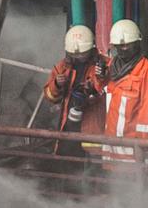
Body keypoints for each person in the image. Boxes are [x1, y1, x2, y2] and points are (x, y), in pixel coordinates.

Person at [101, 19, 148, 166]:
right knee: (113, 186)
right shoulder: (111, 67)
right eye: (119, 46)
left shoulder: (147, 69)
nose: (123, 49)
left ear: (137, 43)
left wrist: (142, 145)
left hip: (134, 149)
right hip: (111, 145)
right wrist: (100, 77)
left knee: (137, 187)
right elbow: (100, 94)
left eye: (127, 45)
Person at [43, 24, 107, 158]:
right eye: (74, 54)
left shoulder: (103, 65)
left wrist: (93, 89)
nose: (78, 57)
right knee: (67, 166)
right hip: (69, 126)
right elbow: (49, 96)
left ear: (91, 48)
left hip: (93, 126)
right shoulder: (62, 67)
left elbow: (108, 91)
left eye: (82, 53)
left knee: (92, 170)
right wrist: (57, 85)